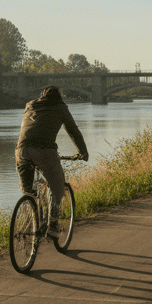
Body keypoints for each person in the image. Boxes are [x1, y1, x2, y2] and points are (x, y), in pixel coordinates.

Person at [15, 86, 89, 234]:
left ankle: (31, 220)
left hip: (21, 151)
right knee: (58, 187)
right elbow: (73, 131)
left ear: (42, 96)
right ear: (59, 97)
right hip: (44, 151)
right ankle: (53, 225)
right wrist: (83, 152)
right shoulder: (60, 107)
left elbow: (33, 128)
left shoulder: (30, 104)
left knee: (29, 191)